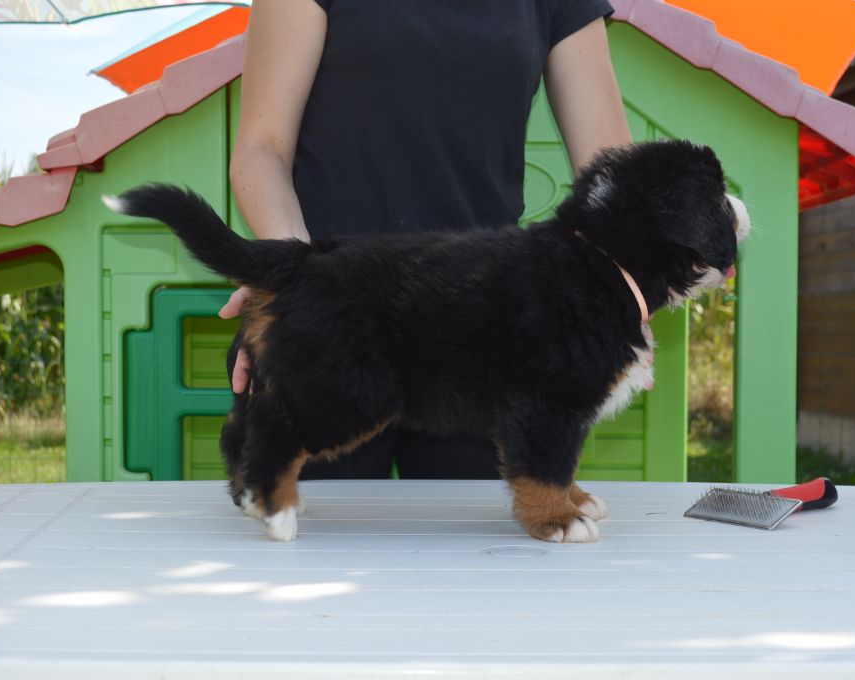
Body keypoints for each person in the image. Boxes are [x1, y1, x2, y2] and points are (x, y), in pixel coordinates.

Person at [220, 0, 632, 479]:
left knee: (495, 528)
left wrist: (630, 287)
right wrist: (291, 278)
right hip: (335, 323)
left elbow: (615, 179)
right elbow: (261, 149)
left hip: (483, 336)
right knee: (293, 520)